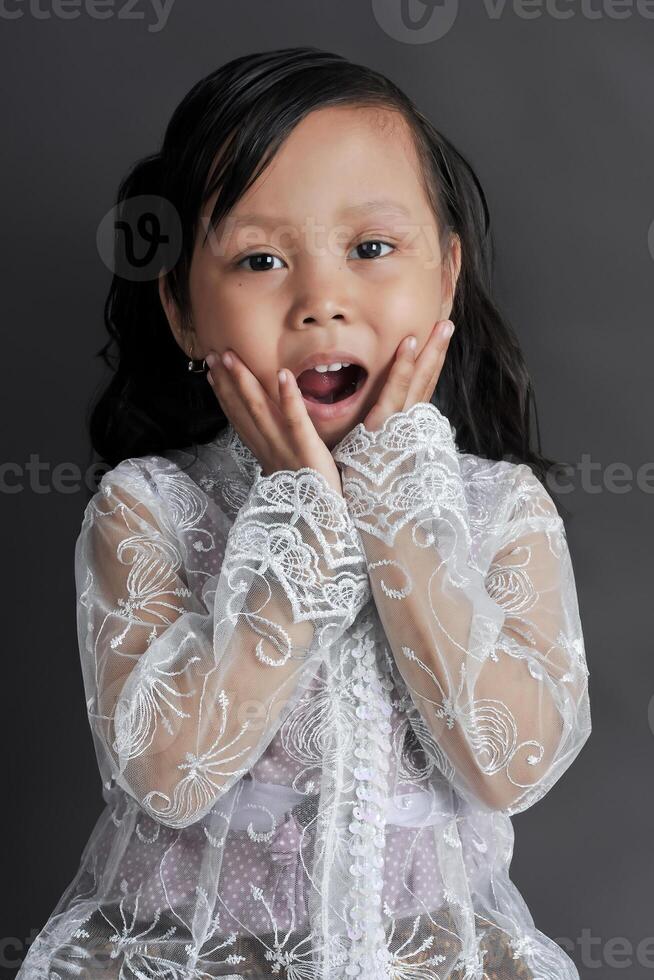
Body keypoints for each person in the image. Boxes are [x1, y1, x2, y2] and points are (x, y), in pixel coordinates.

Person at [17, 47, 591, 980]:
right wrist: (299, 521)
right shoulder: (148, 510)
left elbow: (510, 766)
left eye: (371, 249)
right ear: (184, 313)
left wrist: (396, 512)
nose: (321, 302)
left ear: (446, 274)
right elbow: (170, 775)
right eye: (259, 258)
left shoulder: (499, 511)